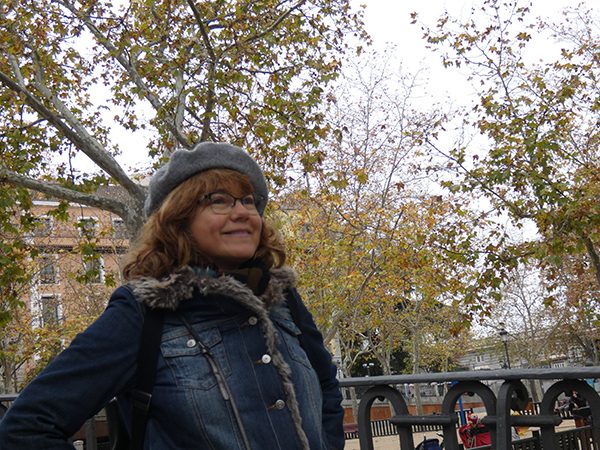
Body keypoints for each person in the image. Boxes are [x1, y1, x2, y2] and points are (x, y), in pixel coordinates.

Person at [0, 142, 344, 449]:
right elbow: (26, 428)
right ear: (179, 219)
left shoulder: (284, 299)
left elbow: (327, 385)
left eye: (248, 201)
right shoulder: (142, 312)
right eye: (219, 201)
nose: (242, 212)